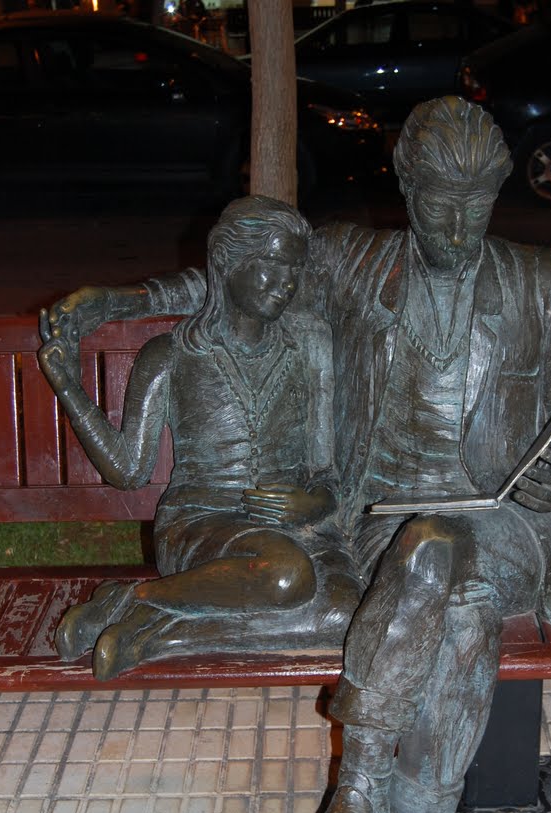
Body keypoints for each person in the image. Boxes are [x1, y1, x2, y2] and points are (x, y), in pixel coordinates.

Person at [46, 97, 551, 813]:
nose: (455, 224)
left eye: (475, 203)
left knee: (441, 562)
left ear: (499, 193)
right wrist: (119, 300)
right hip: (385, 517)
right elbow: (232, 279)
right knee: (443, 592)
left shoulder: (547, 281)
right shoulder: (353, 262)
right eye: (436, 201)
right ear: (405, 188)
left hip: (502, 522)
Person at [39, 195, 361, 681]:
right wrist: (68, 386)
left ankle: (152, 626)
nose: (288, 282)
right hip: (201, 523)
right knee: (284, 575)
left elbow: (324, 472)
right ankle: (134, 601)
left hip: (294, 527)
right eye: (272, 265)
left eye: (294, 268)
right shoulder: (170, 355)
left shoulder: (310, 343)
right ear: (227, 264)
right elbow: (129, 471)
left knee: (346, 613)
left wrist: (311, 504)